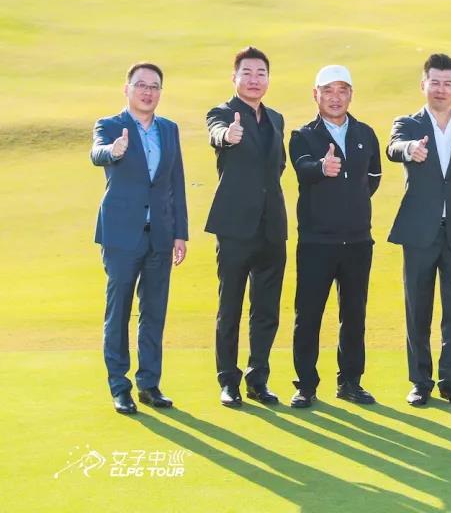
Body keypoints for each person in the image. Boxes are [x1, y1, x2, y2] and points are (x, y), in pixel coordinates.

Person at [386, 54, 451, 407]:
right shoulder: (408, 123)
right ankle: (420, 382)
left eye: (448, 83)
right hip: (419, 231)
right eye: (435, 82)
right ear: (424, 85)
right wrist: (410, 149)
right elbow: (393, 147)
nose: (441, 89)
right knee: (418, 309)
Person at [91, 63, 188, 414]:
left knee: (154, 312)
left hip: (160, 235)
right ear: (127, 89)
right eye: (141, 85)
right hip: (121, 236)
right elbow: (97, 152)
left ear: (160, 92)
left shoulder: (169, 129)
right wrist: (114, 151)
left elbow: (176, 182)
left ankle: (149, 384)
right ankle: (120, 386)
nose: (148, 91)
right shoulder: (109, 125)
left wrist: (180, 233)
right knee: (118, 312)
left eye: (154, 86)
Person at [287, 65, 383, 409]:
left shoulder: (365, 133)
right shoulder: (303, 135)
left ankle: (350, 382)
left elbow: (373, 177)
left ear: (351, 94)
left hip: (357, 240)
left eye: (342, 90)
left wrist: (350, 201)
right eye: (328, 90)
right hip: (317, 241)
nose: (335, 97)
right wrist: (321, 168)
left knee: (354, 314)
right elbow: (303, 168)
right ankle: (306, 385)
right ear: (316, 94)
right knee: (308, 315)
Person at [206, 46, 288, 408]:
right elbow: (216, 133)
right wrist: (227, 136)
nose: (254, 80)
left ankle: (258, 378)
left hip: (272, 226)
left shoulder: (276, 119)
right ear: (234, 77)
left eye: (261, 73)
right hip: (235, 227)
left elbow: (278, 165)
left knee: (266, 308)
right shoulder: (221, 114)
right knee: (230, 307)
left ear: (268, 79)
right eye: (247, 73)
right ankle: (228, 380)